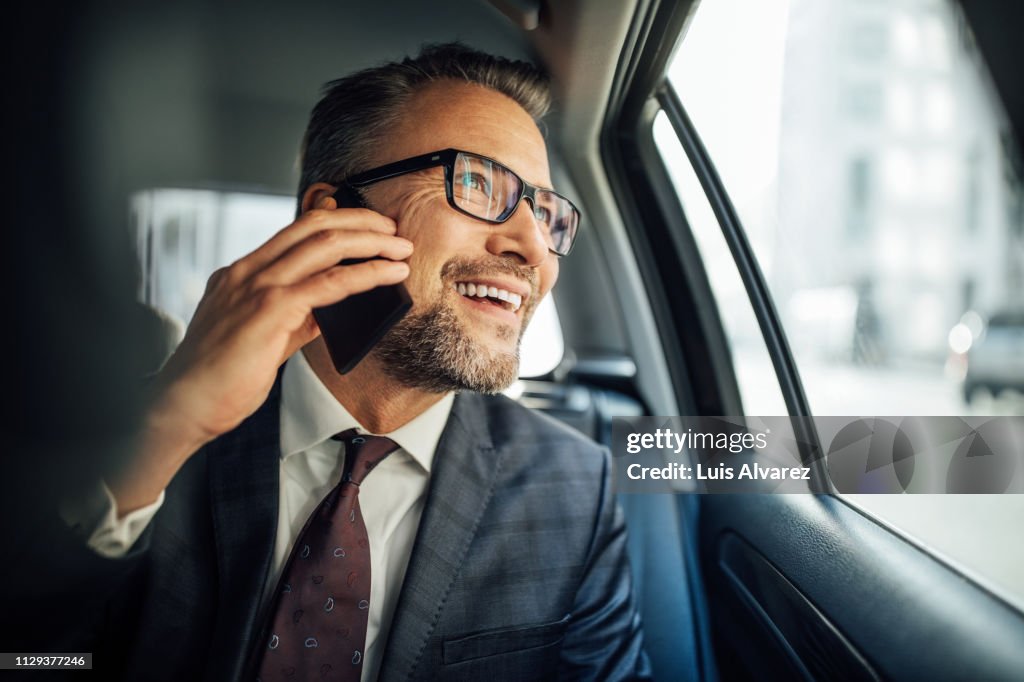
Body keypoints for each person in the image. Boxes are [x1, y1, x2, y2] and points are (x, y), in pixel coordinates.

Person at [61, 43, 650, 681]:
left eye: (546, 213)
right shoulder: (123, 437)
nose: (534, 248)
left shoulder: (577, 485)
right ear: (333, 218)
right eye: (478, 182)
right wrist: (166, 428)